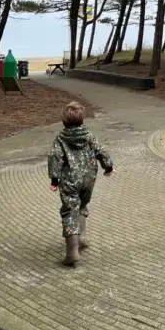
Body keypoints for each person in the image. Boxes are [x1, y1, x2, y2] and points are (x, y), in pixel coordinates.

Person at [48, 101, 114, 266]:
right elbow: (101, 150)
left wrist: (54, 179)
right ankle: (82, 237)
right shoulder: (89, 135)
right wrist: (109, 167)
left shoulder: (60, 139)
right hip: (88, 178)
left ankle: (72, 253)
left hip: (70, 179)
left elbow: (54, 157)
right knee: (83, 204)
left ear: (64, 121)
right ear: (82, 120)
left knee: (70, 211)